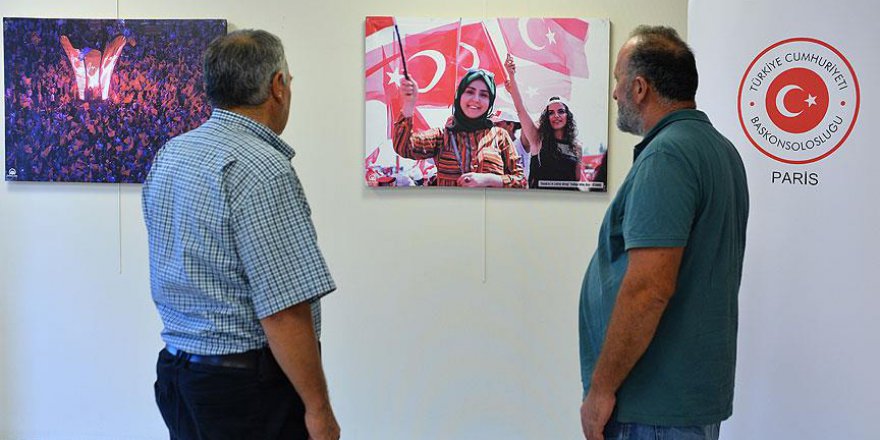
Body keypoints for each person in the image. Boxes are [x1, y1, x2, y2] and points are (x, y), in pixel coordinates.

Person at [142, 30, 340, 440]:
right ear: (278, 87)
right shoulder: (263, 169)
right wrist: (319, 411)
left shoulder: (171, 154)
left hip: (179, 376)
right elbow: (283, 310)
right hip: (246, 391)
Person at [578, 26, 749, 440]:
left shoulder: (667, 156)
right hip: (682, 403)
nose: (615, 94)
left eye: (618, 80)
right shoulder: (719, 149)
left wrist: (600, 391)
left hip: (653, 408)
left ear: (640, 88)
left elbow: (649, 289)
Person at [393, 69, 525, 188]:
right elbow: (403, 147)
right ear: (459, 96)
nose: (476, 99)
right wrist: (408, 105)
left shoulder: (500, 136)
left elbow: (521, 181)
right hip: (451, 213)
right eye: (470, 92)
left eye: (484, 95)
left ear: (490, 102)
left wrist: (490, 179)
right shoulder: (441, 136)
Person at [504, 54, 583, 189]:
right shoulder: (537, 140)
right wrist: (511, 75)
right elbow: (521, 110)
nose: (556, 116)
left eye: (561, 111)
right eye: (551, 113)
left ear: (568, 116)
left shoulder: (576, 148)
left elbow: (576, 181)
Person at [490, 109, 530, 181]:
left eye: (498, 124)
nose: (493, 128)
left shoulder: (521, 144)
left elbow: (528, 126)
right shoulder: (492, 148)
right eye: (493, 124)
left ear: (511, 126)